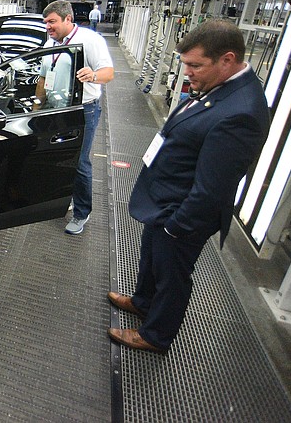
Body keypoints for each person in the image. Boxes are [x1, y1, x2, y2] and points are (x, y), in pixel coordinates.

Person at [108, 18, 270, 353]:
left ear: (227, 59)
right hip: (165, 200)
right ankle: (143, 302)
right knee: (151, 259)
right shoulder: (220, 87)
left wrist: (177, 227)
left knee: (173, 275)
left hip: (182, 213)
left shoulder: (242, 112)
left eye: (196, 65)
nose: (189, 73)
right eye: (186, 65)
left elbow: (212, 187)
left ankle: (155, 335)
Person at [41, 0, 114, 235]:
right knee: (58, 156)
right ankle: (65, 197)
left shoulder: (91, 40)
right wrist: (36, 105)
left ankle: (82, 212)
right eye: (46, 23)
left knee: (80, 161)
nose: (48, 27)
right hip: (56, 108)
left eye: (52, 22)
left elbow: (108, 73)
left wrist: (93, 75)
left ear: (68, 19)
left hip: (84, 110)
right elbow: (44, 77)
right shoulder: (50, 42)